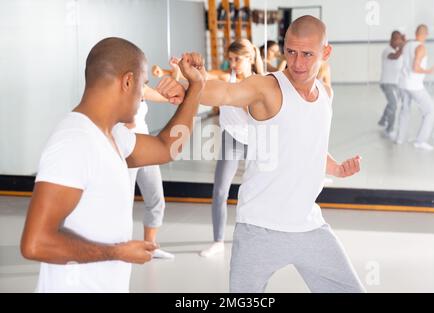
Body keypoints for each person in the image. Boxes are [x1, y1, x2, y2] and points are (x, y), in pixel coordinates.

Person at [180, 15, 365, 293]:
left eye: (307, 54)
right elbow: (227, 93)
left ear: (325, 52)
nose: (298, 63)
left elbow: (307, 146)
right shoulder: (267, 86)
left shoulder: (326, 94)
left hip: (308, 226)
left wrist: (336, 169)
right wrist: (193, 85)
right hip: (258, 228)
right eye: (291, 52)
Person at [20, 37, 205, 292]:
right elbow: (35, 243)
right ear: (128, 82)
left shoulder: (112, 135)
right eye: (143, 86)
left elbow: (167, 148)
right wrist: (118, 252)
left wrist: (196, 87)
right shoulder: (74, 141)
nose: (143, 97)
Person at [199, 39, 264, 257]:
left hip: (256, 141)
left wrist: (248, 104)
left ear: (250, 59)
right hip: (232, 140)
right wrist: (184, 69)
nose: (233, 63)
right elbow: (207, 75)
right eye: (230, 59)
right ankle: (218, 241)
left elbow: (263, 116)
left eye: (237, 59)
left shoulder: (259, 82)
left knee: (256, 192)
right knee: (220, 191)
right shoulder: (228, 78)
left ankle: (259, 238)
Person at [124, 86, 176, 260]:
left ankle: (150, 247)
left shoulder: (141, 87)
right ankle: (122, 247)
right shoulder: (117, 89)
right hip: (127, 149)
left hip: (145, 147)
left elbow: (164, 96)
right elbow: (126, 122)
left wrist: (175, 79)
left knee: (156, 199)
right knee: (124, 202)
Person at [396, 24, 434, 150]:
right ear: (426, 34)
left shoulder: (408, 44)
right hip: (414, 86)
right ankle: (420, 141)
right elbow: (415, 68)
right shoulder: (421, 47)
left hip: (403, 83)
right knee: (431, 111)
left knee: (405, 110)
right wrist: (429, 71)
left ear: (415, 32)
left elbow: (402, 48)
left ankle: (400, 139)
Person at [378, 31, 406, 139]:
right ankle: (389, 130)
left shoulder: (397, 49)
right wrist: (403, 46)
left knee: (391, 103)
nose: (399, 42)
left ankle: (382, 120)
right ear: (391, 40)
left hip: (396, 83)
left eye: (400, 39)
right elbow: (395, 56)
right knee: (394, 105)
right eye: (397, 39)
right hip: (387, 83)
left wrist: (402, 43)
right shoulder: (387, 50)